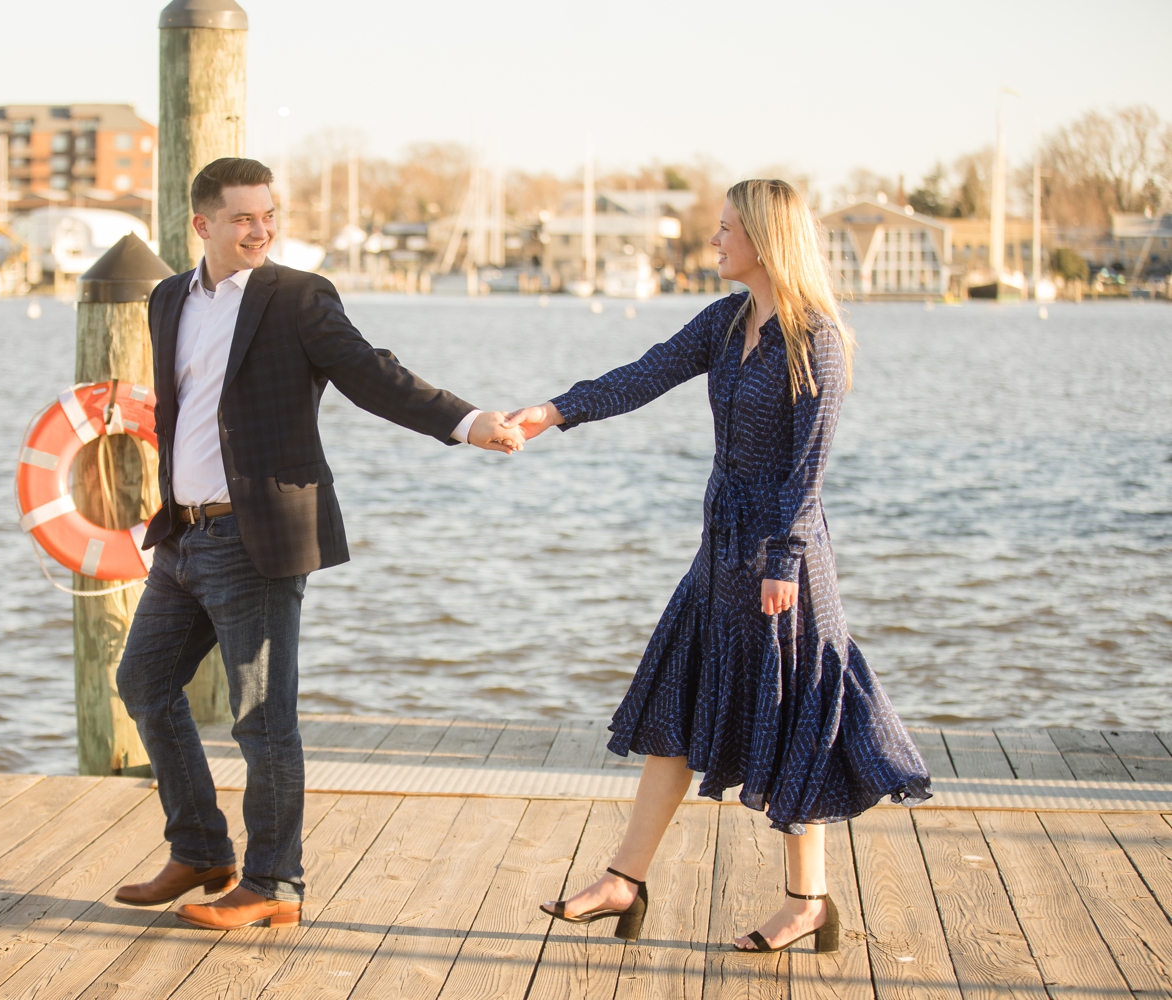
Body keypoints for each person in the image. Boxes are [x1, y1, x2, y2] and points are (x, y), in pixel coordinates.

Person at [506, 179, 931, 952]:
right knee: (677, 709)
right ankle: (622, 882)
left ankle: (809, 902)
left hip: (782, 561)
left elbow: (810, 468)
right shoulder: (726, 321)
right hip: (719, 552)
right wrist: (553, 411)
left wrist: (785, 559)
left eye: (726, 228)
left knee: (798, 719)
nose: (714, 239)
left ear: (766, 240)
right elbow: (645, 373)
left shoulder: (818, 340)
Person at [112, 157, 524, 930]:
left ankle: (274, 883)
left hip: (257, 535)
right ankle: (201, 847)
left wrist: (468, 423)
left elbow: (373, 375)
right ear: (201, 225)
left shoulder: (297, 297)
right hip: (183, 538)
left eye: (268, 213)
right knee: (143, 683)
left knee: (262, 717)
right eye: (242, 218)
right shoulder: (168, 298)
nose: (260, 229)